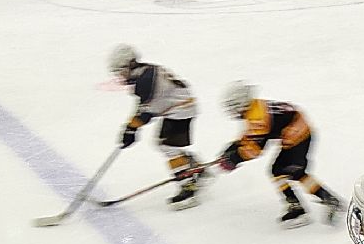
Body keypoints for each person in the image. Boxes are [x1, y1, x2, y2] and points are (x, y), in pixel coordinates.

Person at [216, 82, 344, 228]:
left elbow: (255, 148)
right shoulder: (255, 108)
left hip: (298, 136)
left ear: (241, 104)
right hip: (296, 133)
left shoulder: (258, 116)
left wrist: (235, 158)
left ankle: (305, 207)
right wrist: (233, 147)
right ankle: (321, 201)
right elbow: (251, 136)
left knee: (284, 171)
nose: (231, 112)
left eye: (232, 107)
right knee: (291, 172)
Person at [110, 45, 204, 209]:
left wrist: (131, 128)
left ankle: (189, 186)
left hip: (181, 109)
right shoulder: (145, 72)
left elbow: (147, 111)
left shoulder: (144, 80)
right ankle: (197, 169)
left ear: (130, 64)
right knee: (165, 145)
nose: (120, 75)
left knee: (168, 147)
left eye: (121, 70)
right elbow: (145, 106)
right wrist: (131, 127)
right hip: (180, 106)